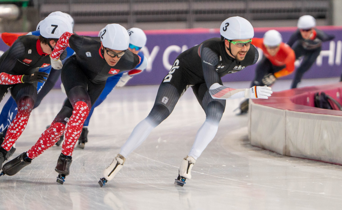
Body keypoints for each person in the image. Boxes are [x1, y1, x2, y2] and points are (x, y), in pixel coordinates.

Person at [97, 16, 273, 187]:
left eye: (248, 42)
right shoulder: (210, 51)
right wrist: (248, 92)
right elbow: (216, 91)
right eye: (239, 44)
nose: (244, 48)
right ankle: (119, 159)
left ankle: (190, 161)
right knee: (159, 113)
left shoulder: (252, 55)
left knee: (215, 115)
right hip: (184, 72)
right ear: (226, 42)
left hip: (207, 78)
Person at [1, 24, 141, 184]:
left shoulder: (130, 60)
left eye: (119, 54)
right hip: (75, 72)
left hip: (97, 84)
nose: (115, 58)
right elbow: (66, 36)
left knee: (59, 126)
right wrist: (54, 57)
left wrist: (125, 78)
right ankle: (66, 157)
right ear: (102, 45)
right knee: (81, 107)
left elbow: (140, 63)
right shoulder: (85, 45)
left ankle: (26, 157)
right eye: (111, 52)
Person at [0, 15, 72, 175]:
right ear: (52, 41)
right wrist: (22, 78)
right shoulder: (22, 44)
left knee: (24, 108)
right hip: (6, 76)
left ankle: (2, 151)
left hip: (31, 78)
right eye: (61, 45)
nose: (63, 50)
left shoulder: (61, 52)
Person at [77, 27, 148, 149]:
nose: (133, 50)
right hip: (95, 73)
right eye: (131, 46)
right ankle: (73, 126)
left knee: (93, 102)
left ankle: (80, 127)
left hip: (111, 79)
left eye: (137, 48)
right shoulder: (112, 47)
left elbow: (142, 66)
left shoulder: (139, 59)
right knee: (79, 100)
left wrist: (126, 78)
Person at [238, 30, 296, 114]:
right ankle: (249, 100)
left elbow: (290, 69)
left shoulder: (289, 54)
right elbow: (248, 41)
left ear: (279, 44)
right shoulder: (261, 43)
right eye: (269, 47)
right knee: (257, 81)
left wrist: (276, 75)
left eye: (275, 47)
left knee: (264, 85)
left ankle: (258, 103)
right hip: (267, 62)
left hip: (277, 69)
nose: (272, 50)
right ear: (265, 45)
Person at [288, 15, 334, 88]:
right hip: (301, 47)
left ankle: (293, 88)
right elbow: (288, 46)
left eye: (307, 30)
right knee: (287, 62)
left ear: (312, 29)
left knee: (301, 70)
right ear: (299, 29)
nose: (305, 33)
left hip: (314, 51)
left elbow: (328, 37)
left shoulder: (320, 35)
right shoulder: (296, 35)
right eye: (303, 30)